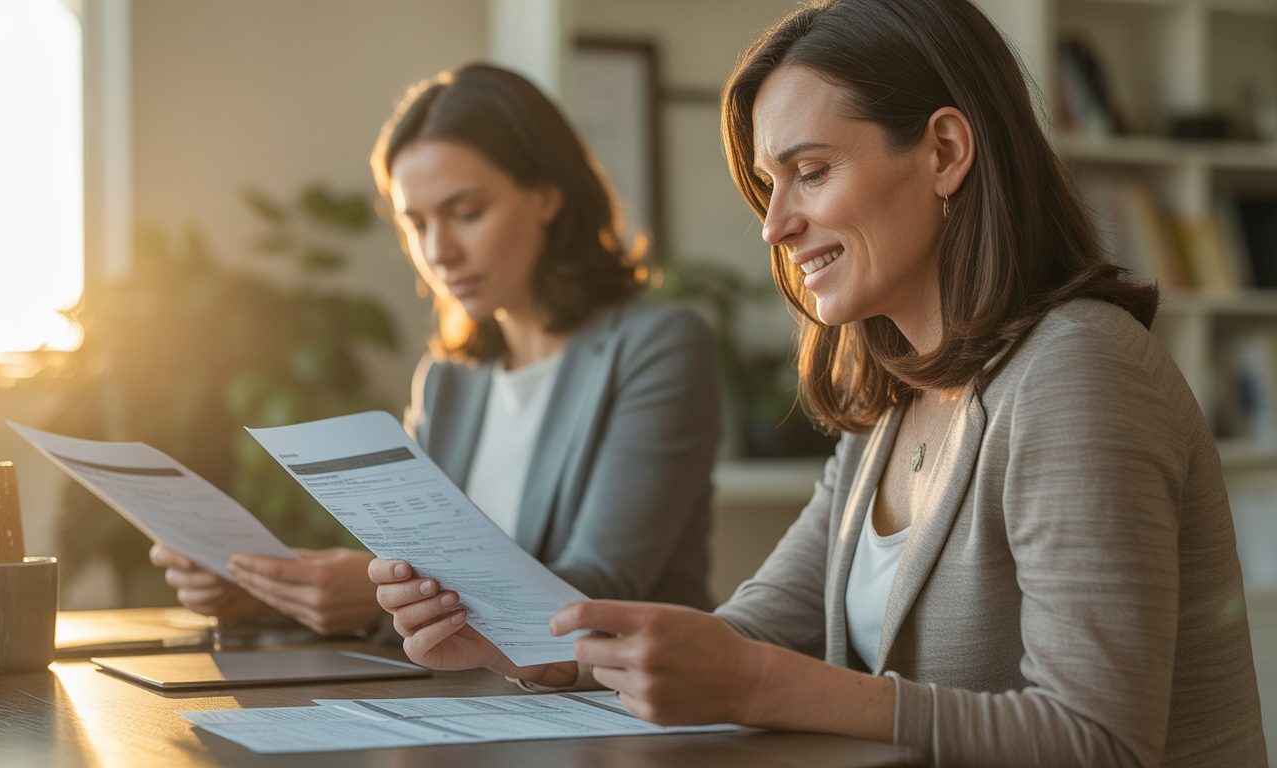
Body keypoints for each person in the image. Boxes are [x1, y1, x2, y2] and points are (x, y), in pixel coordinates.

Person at [368, 1, 1269, 764]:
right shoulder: (893, 400)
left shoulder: (1077, 367)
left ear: (946, 151)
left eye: (811, 171)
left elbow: (1099, 740)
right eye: (769, 185)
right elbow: (753, 631)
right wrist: (538, 651)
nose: (776, 227)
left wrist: (766, 685)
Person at [152, 63, 720, 637]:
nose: (438, 251)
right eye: (416, 223)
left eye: (466, 213)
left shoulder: (658, 346)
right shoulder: (448, 378)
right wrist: (262, 591)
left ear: (548, 196)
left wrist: (375, 597)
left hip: (619, 706)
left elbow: (603, 587)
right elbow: (408, 576)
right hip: (466, 699)